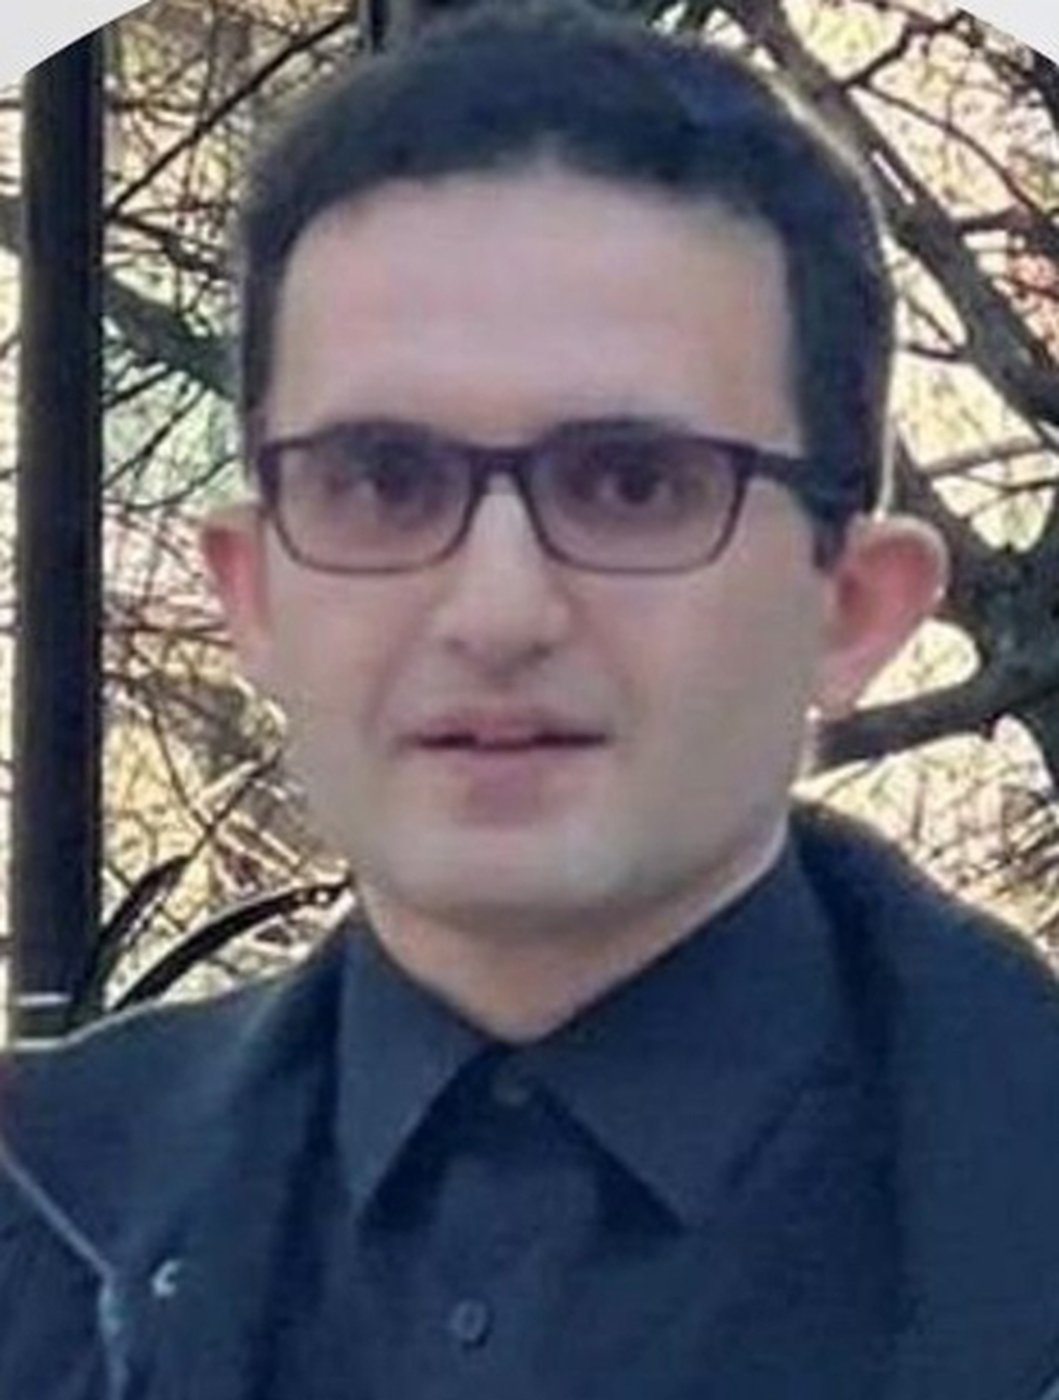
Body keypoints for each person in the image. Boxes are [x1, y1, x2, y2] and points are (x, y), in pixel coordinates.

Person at [3, 3, 1059, 1396]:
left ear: (853, 608)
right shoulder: (42, 1225)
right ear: (251, 594)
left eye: (632, 482)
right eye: (382, 479)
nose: (497, 613)